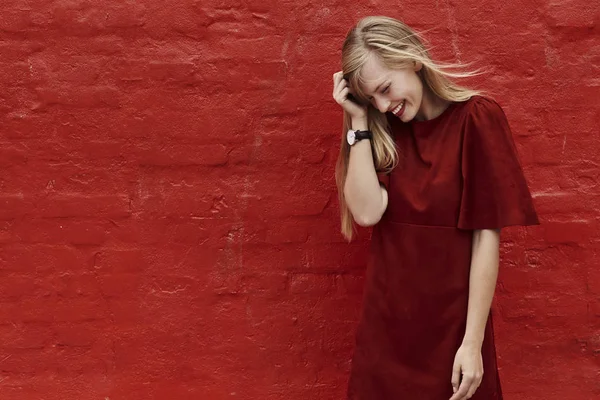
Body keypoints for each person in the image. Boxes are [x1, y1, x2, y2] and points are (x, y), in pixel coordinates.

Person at [331, 16, 540, 400]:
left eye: (384, 89)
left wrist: (472, 343)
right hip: (386, 334)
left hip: (453, 333)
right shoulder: (381, 130)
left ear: (411, 60)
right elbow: (365, 213)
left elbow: (485, 238)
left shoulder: (477, 118)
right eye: (371, 98)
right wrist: (358, 120)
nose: (383, 104)